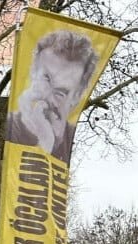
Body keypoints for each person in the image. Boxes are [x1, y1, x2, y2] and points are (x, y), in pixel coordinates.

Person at [6, 30, 98, 164]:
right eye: (46, 79)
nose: (47, 98)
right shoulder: (5, 128)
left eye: (61, 92)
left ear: (77, 96)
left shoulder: (71, 140)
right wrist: (44, 143)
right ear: (32, 71)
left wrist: (46, 140)